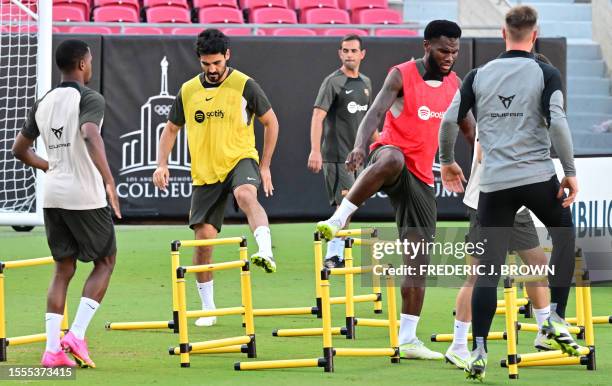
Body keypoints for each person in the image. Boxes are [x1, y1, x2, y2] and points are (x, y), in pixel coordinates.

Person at [316, 20, 475, 360]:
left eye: (455, 51)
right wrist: (360, 146)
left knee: (418, 264)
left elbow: (471, 132)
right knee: (391, 158)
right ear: (426, 46)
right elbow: (374, 113)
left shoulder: (456, 85)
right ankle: (339, 220)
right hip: (389, 155)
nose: (450, 57)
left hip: (421, 178)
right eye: (443, 50)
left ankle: (408, 339)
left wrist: (487, 169)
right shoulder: (401, 74)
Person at [439, 6, 581, 381]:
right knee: (565, 233)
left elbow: (448, 120)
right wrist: (569, 172)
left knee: (487, 272)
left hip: (495, 184)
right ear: (535, 36)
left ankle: (479, 349)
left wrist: (447, 161)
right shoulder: (546, 72)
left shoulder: (478, 74)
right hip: (536, 177)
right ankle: (555, 320)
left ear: (503, 33)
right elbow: (559, 124)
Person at [153, 29, 279, 327]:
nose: (212, 70)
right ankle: (208, 307)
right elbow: (171, 129)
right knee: (204, 241)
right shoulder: (187, 90)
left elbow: (271, 123)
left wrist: (265, 165)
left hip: (240, 158)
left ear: (228, 57)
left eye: (217, 63)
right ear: (200, 60)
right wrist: (161, 164)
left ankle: (265, 250)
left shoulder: (245, 85)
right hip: (206, 172)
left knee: (246, 195)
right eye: (206, 64)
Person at [12, 39, 121, 368]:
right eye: (89, 60)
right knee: (105, 262)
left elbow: (20, 149)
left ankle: (51, 350)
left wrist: (49, 167)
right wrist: (109, 179)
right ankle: (75, 334)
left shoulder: (43, 102)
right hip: (84, 195)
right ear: (83, 64)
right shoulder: (89, 98)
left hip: (53, 195)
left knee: (63, 269)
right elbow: (90, 133)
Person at [308, 34, 373, 269]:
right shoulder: (332, 82)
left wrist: (379, 144)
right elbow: (318, 116)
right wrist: (315, 151)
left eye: (354, 51)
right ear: (340, 53)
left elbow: (368, 120)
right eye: (345, 51)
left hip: (358, 159)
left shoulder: (365, 83)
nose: (349, 55)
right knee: (343, 202)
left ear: (362, 54)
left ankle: (339, 249)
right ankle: (333, 254)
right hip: (336, 157)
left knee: (349, 204)